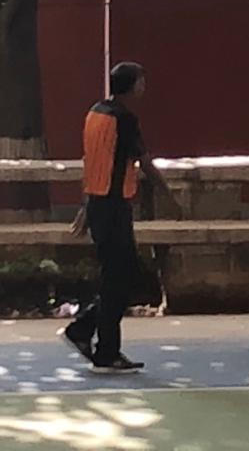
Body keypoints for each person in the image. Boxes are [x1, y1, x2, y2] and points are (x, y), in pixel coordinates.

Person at [63, 62, 170, 373]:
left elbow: (94, 162)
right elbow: (144, 161)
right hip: (113, 206)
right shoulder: (125, 119)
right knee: (121, 277)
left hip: (99, 202)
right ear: (132, 85)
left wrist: (86, 205)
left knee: (117, 276)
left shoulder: (95, 112)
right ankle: (100, 344)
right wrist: (169, 195)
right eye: (141, 80)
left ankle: (92, 336)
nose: (144, 85)